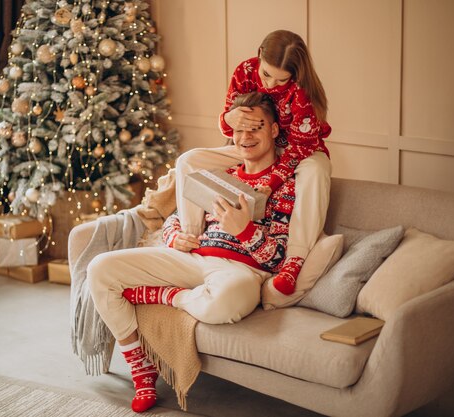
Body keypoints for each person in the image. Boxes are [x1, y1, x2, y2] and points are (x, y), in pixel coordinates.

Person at [87, 92, 297, 413]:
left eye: (255, 127)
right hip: (193, 258)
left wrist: (244, 229)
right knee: (100, 269)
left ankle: (164, 297)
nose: (245, 137)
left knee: (229, 301)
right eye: (238, 129)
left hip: (240, 270)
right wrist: (175, 237)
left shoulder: (287, 185)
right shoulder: (220, 173)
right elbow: (175, 219)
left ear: (273, 129)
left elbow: (278, 258)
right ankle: (141, 368)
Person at [175, 29, 332, 296]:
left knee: (317, 169)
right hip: (257, 142)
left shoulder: (301, 92)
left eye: (281, 79)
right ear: (259, 55)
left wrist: (272, 183)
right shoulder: (245, 71)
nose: (270, 85)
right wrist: (229, 119)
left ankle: (294, 260)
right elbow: (229, 129)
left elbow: (297, 150)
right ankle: (192, 235)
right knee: (189, 160)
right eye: (267, 74)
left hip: (297, 150)